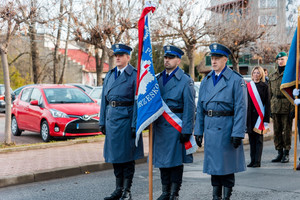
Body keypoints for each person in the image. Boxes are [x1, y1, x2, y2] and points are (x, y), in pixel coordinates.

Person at [194, 43, 247, 200]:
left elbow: (241, 108)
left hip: (226, 127)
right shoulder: (206, 80)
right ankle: (216, 196)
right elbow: (200, 107)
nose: (214, 61)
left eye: (217, 58)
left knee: (227, 165)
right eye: (212, 58)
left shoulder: (236, 80)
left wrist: (238, 132)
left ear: (225, 60)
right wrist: (198, 131)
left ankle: (226, 197)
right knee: (213, 166)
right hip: (210, 127)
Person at [99, 44, 144, 200]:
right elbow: (104, 100)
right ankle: (118, 189)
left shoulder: (135, 76)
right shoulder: (110, 75)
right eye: (115, 55)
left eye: (121, 55)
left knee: (127, 157)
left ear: (128, 57)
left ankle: (127, 190)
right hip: (111, 119)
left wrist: (135, 123)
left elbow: (138, 102)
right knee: (115, 157)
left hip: (126, 120)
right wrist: (102, 121)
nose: (117, 58)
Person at [153, 45, 195, 200]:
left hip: (176, 126)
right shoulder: (157, 79)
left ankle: (174, 193)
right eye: (165, 57)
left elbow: (190, 107)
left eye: (170, 58)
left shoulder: (185, 81)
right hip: (160, 125)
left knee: (176, 162)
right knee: (163, 161)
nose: (167, 60)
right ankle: (165, 192)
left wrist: (186, 129)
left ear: (178, 60)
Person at [269, 52, 294, 163]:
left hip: (286, 105)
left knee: (286, 130)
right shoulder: (272, 75)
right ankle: (279, 152)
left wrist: (293, 109)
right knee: (277, 131)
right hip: (275, 105)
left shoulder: (289, 75)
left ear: (287, 60)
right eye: (278, 59)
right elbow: (269, 94)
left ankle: (286, 153)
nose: (280, 61)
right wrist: (269, 108)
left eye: (282, 59)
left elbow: (293, 93)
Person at [246, 66, 270, 168]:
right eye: (254, 73)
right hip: (250, 117)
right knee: (251, 140)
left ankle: (257, 161)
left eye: (258, 73)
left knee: (258, 140)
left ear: (261, 74)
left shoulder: (265, 86)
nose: (256, 75)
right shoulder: (248, 86)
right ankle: (252, 160)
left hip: (260, 117)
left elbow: (267, 103)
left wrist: (266, 120)